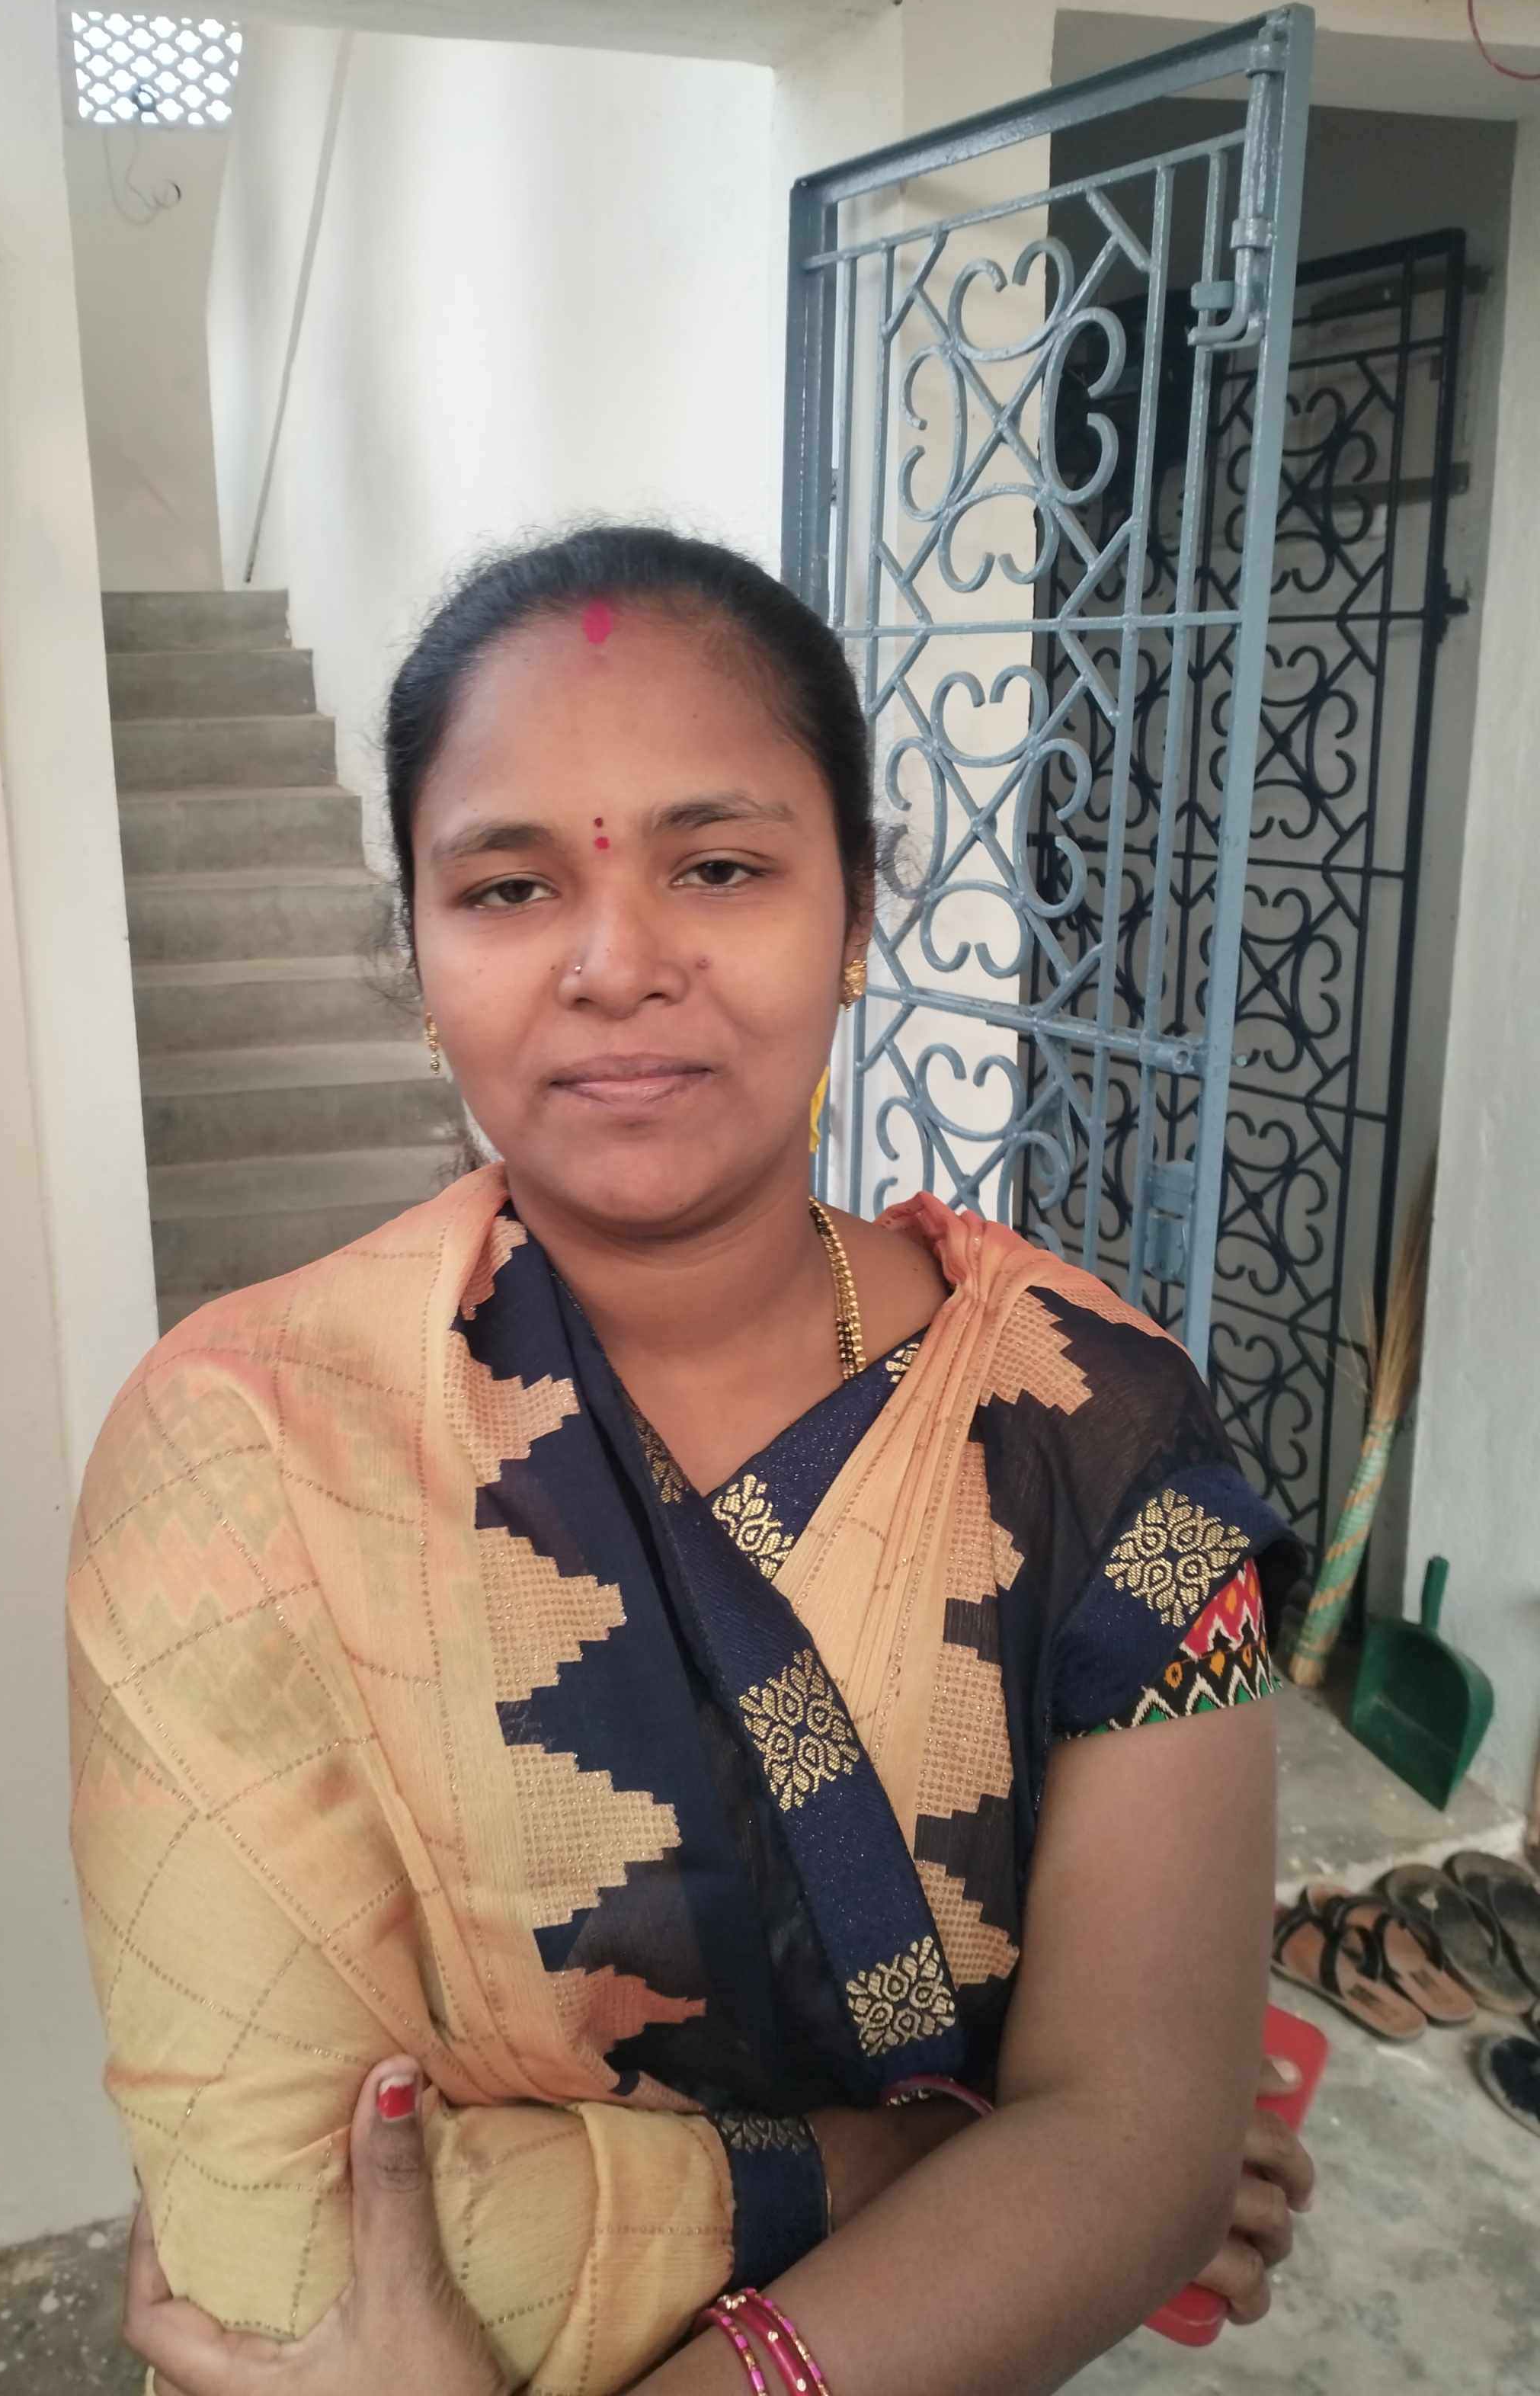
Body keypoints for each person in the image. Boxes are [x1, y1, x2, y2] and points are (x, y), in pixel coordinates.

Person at [68, 526, 1312, 2396]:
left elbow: (1135, 2150)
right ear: (418, 948)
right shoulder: (240, 1449)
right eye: (508, 887)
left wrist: (1108, 2170)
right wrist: (966, 2171)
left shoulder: (1099, 1440)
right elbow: (271, 2266)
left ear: (857, 909)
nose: (617, 964)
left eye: (717, 866)